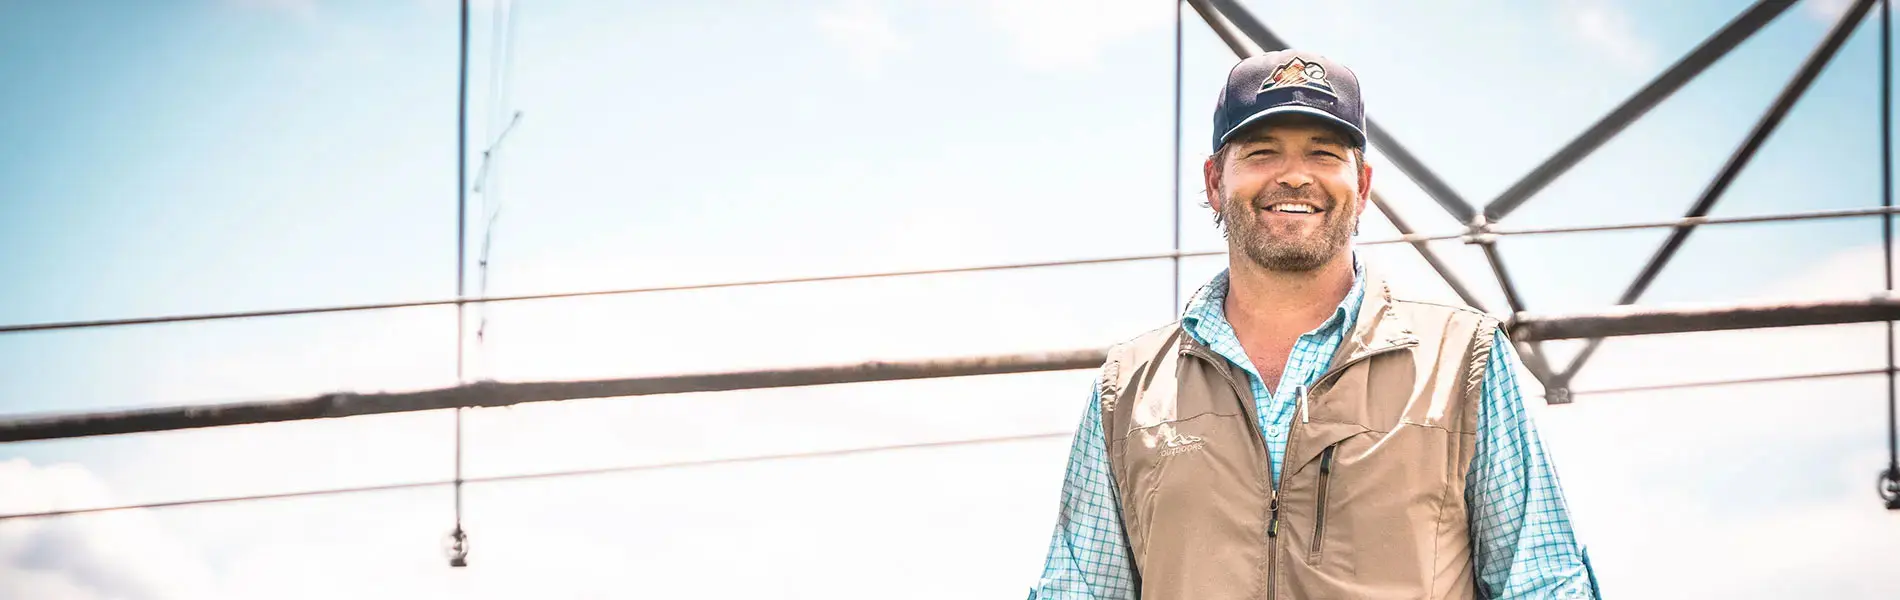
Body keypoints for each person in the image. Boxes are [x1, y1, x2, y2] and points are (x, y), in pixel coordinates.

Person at [1027, 50, 1600, 600]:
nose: (1295, 177)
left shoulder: (1463, 361)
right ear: (1213, 183)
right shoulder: (1127, 388)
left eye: (1324, 154)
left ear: (1364, 187)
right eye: (1261, 153)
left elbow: (1543, 583)